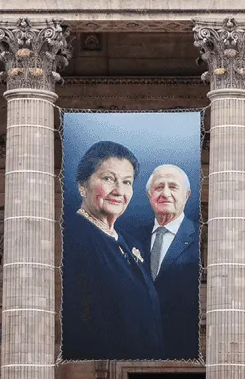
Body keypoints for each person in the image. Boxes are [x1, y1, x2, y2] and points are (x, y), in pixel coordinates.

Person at [61, 140, 164, 360]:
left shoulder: (128, 242)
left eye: (127, 182)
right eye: (108, 178)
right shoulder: (70, 238)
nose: (119, 190)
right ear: (82, 185)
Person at [129, 163, 200, 359]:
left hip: (187, 339)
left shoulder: (203, 237)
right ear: (149, 195)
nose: (165, 193)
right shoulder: (131, 239)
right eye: (159, 187)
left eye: (173, 187)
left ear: (186, 195)